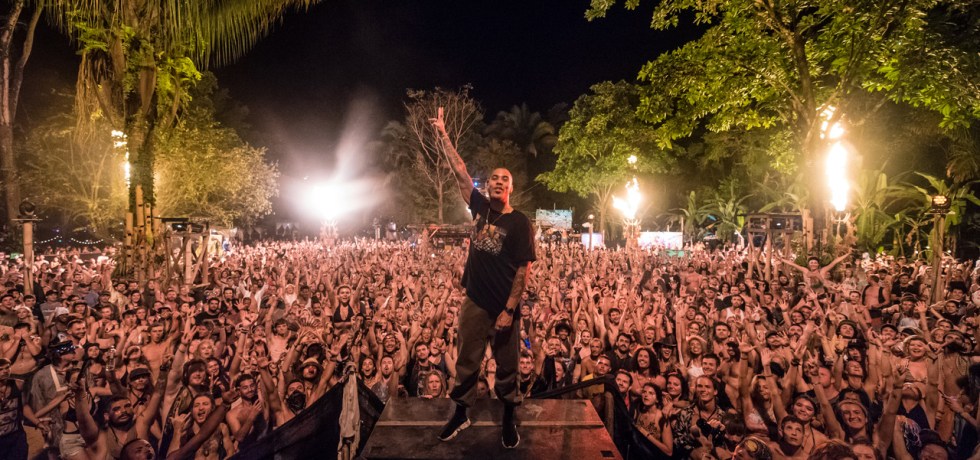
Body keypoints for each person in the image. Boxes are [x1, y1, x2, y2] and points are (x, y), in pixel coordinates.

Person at [431, 107, 536, 449]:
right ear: (487, 185)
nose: (498, 182)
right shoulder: (479, 207)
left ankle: (508, 417)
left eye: (504, 179)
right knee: (467, 362)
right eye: (493, 178)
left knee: (507, 367)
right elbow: (460, 172)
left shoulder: (519, 223)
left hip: (504, 307)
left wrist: (509, 309)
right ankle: (461, 413)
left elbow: (523, 270)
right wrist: (443, 134)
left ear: (511, 187)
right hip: (474, 301)